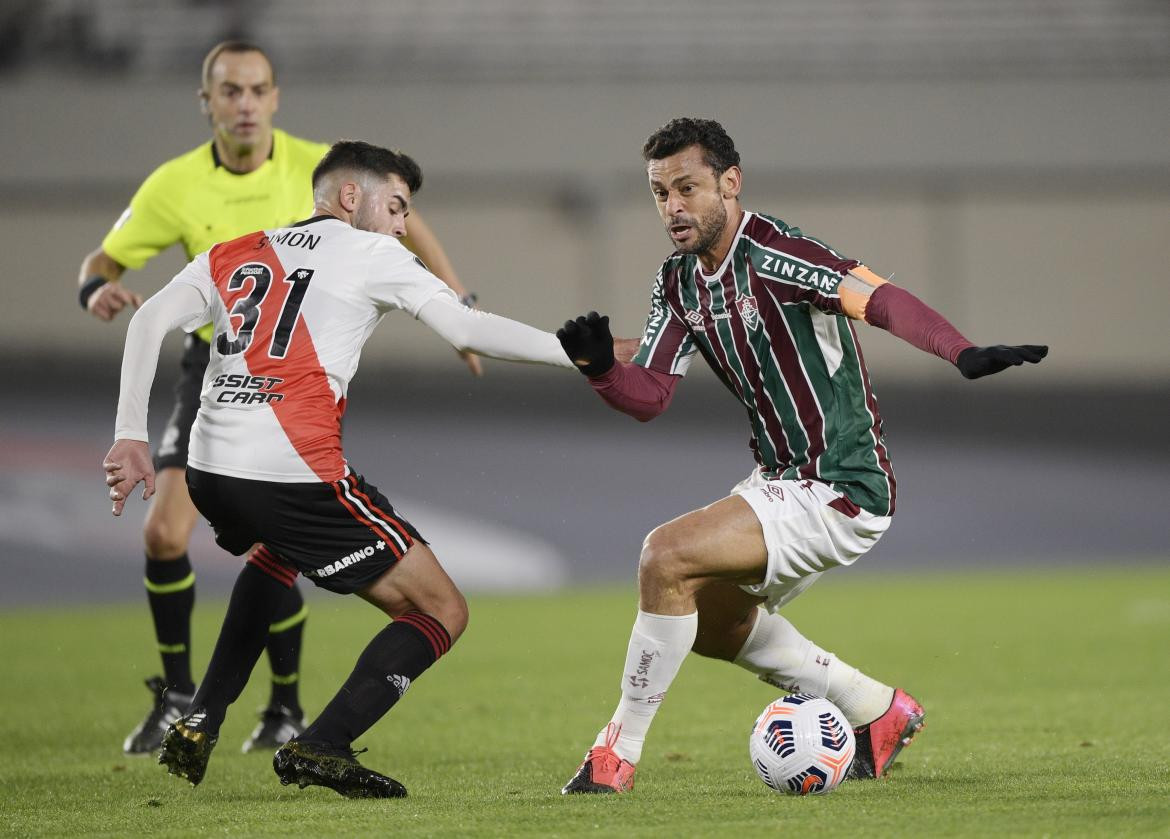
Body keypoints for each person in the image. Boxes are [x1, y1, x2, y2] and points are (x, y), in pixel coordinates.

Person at [556, 117, 1048, 793]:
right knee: (698, 612)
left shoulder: (778, 253)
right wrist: (598, 369)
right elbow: (651, 394)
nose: (672, 206)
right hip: (781, 480)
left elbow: (878, 299)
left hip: (840, 483)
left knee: (663, 555)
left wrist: (959, 350)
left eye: (688, 187)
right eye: (660, 192)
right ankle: (877, 709)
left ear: (730, 183)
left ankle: (614, 757)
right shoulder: (678, 282)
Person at [102, 140, 576, 798]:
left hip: (209, 471)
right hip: (287, 470)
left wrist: (130, 434)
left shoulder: (238, 248)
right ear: (351, 197)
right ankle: (321, 744)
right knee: (441, 608)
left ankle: (199, 718)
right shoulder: (374, 252)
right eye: (398, 205)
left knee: (276, 552)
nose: (404, 225)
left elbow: (149, 320)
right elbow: (468, 330)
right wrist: (575, 353)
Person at [76, 41, 479, 756]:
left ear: (275, 97)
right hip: (219, 363)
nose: (245, 104)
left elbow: (404, 218)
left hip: (300, 370)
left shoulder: (319, 168)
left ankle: (274, 707)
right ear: (207, 102)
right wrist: (95, 287)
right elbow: (105, 259)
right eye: (229, 91)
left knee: (277, 536)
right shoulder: (173, 184)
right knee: (169, 534)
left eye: (257, 89)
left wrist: (453, 302)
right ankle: (188, 700)